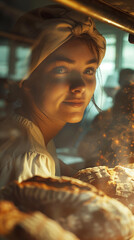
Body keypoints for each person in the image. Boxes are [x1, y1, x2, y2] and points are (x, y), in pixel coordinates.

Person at [0, 4, 106, 188]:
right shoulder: (32, 157)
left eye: (89, 70)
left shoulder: (29, 135)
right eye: (61, 69)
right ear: (25, 80)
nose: (79, 86)